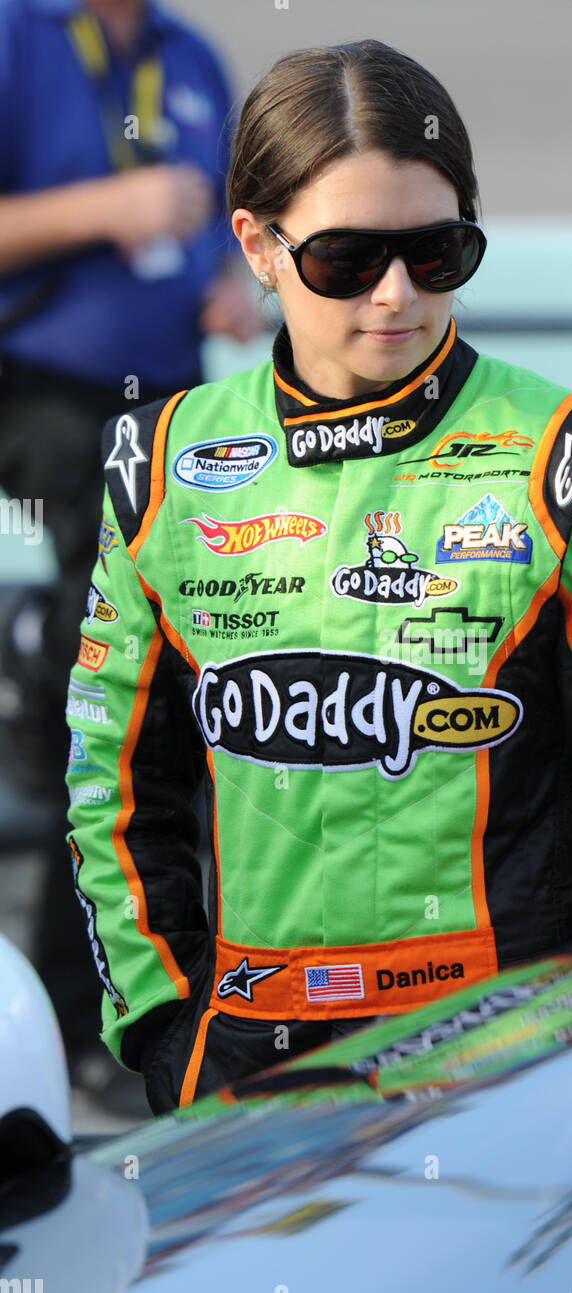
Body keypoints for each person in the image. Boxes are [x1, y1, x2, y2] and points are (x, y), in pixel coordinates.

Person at [65, 37, 572, 1116]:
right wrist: (162, 1031)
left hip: (524, 1053)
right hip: (251, 1073)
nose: (394, 294)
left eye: (436, 253)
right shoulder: (159, 469)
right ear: (254, 243)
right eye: (345, 259)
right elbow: (111, 792)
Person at [0, 0, 261, 1111]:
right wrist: (104, 208)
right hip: (38, 406)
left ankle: (115, 1012)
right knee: (90, 688)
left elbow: (232, 226)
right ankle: (68, 1020)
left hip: (168, 406)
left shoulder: (192, 55)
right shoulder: (18, 34)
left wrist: (238, 281)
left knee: (157, 696)